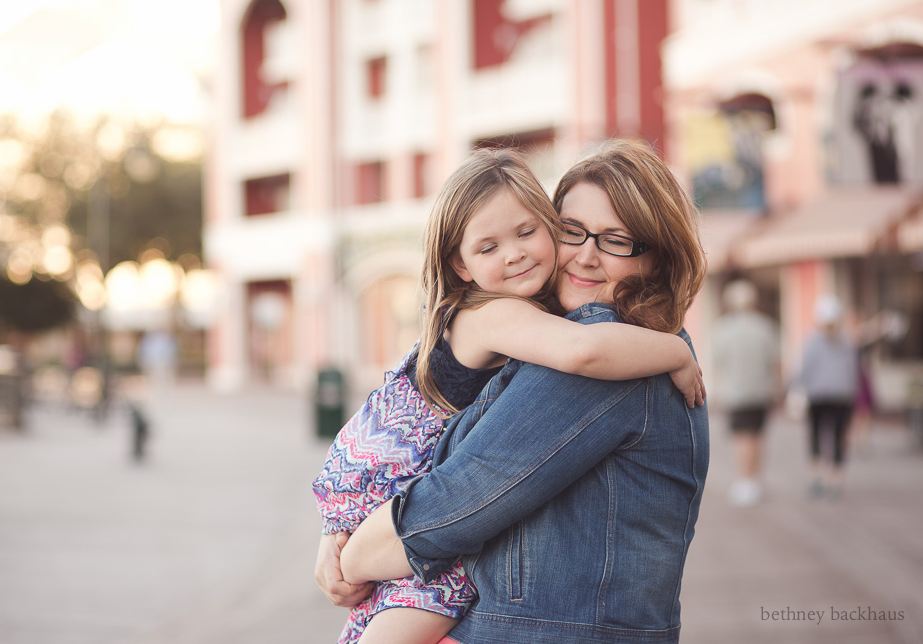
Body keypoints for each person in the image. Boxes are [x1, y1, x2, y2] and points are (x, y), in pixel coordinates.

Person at [312, 147, 705, 644]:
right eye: (572, 231)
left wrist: (348, 544)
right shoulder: (515, 318)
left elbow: (459, 503)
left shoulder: (606, 345)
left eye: (617, 240)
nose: (584, 254)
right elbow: (579, 352)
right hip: (391, 475)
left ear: (658, 255)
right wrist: (675, 351)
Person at [712, 279, 781, 506]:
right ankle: (755, 480)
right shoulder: (766, 326)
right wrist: (778, 388)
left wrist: (717, 391)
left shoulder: (723, 328)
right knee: (758, 436)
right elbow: (776, 362)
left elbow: (718, 363)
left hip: (736, 391)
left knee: (742, 437)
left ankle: (745, 480)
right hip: (761, 389)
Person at [796, 295, 858, 499]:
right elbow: (853, 369)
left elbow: (805, 368)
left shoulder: (813, 340)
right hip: (842, 395)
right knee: (838, 437)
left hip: (818, 395)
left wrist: (794, 387)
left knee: (816, 435)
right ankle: (835, 479)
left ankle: (816, 477)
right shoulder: (847, 340)